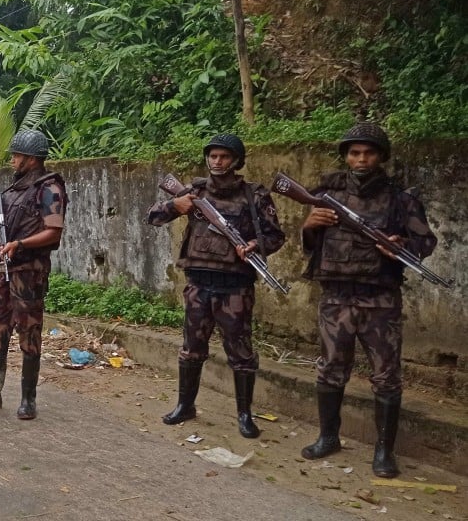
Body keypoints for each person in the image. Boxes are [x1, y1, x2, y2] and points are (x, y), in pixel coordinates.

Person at [298, 123, 437, 478]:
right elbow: (311, 242)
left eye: (369, 153)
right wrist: (309, 225)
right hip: (336, 297)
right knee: (330, 369)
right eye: (355, 153)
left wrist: (400, 246)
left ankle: (383, 451)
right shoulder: (326, 191)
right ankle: (328, 437)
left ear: (380, 157)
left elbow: (425, 243)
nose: (361, 159)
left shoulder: (400, 198)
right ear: (346, 156)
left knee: (386, 377)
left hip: (380, 299)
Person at [146, 133, 285, 438]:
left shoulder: (254, 195)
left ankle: (245, 414)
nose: (218, 162)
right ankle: (186, 406)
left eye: (224, 157)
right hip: (198, 284)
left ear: (236, 161)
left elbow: (275, 236)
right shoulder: (194, 192)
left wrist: (252, 245)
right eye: (213, 156)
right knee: (191, 349)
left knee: (241, 353)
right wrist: (176, 205)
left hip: (235, 287)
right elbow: (153, 216)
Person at [0, 130, 68, 420]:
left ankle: (28, 400)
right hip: (4, 270)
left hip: (29, 272)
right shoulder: (14, 189)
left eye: (17, 155)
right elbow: (7, 222)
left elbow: (53, 232)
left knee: (29, 334)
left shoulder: (50, 189)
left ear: (31, 159)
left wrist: (21, 244)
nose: (12, 160)